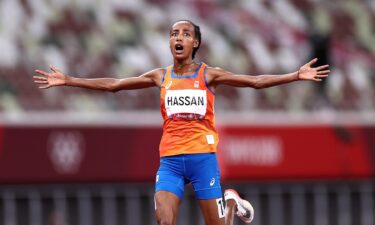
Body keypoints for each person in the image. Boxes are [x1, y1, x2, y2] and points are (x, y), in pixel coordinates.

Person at [34, 20, 330, 225]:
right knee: (164, 220)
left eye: (186, 33)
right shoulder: (160, 76)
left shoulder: (208, 75)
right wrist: (70, 80)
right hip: (171, 162)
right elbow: (115, 84)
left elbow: (254, 81)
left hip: (203, 160)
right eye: (174, 33)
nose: (178, 37)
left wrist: (293, 75)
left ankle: (230, 203)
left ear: (196, 42)